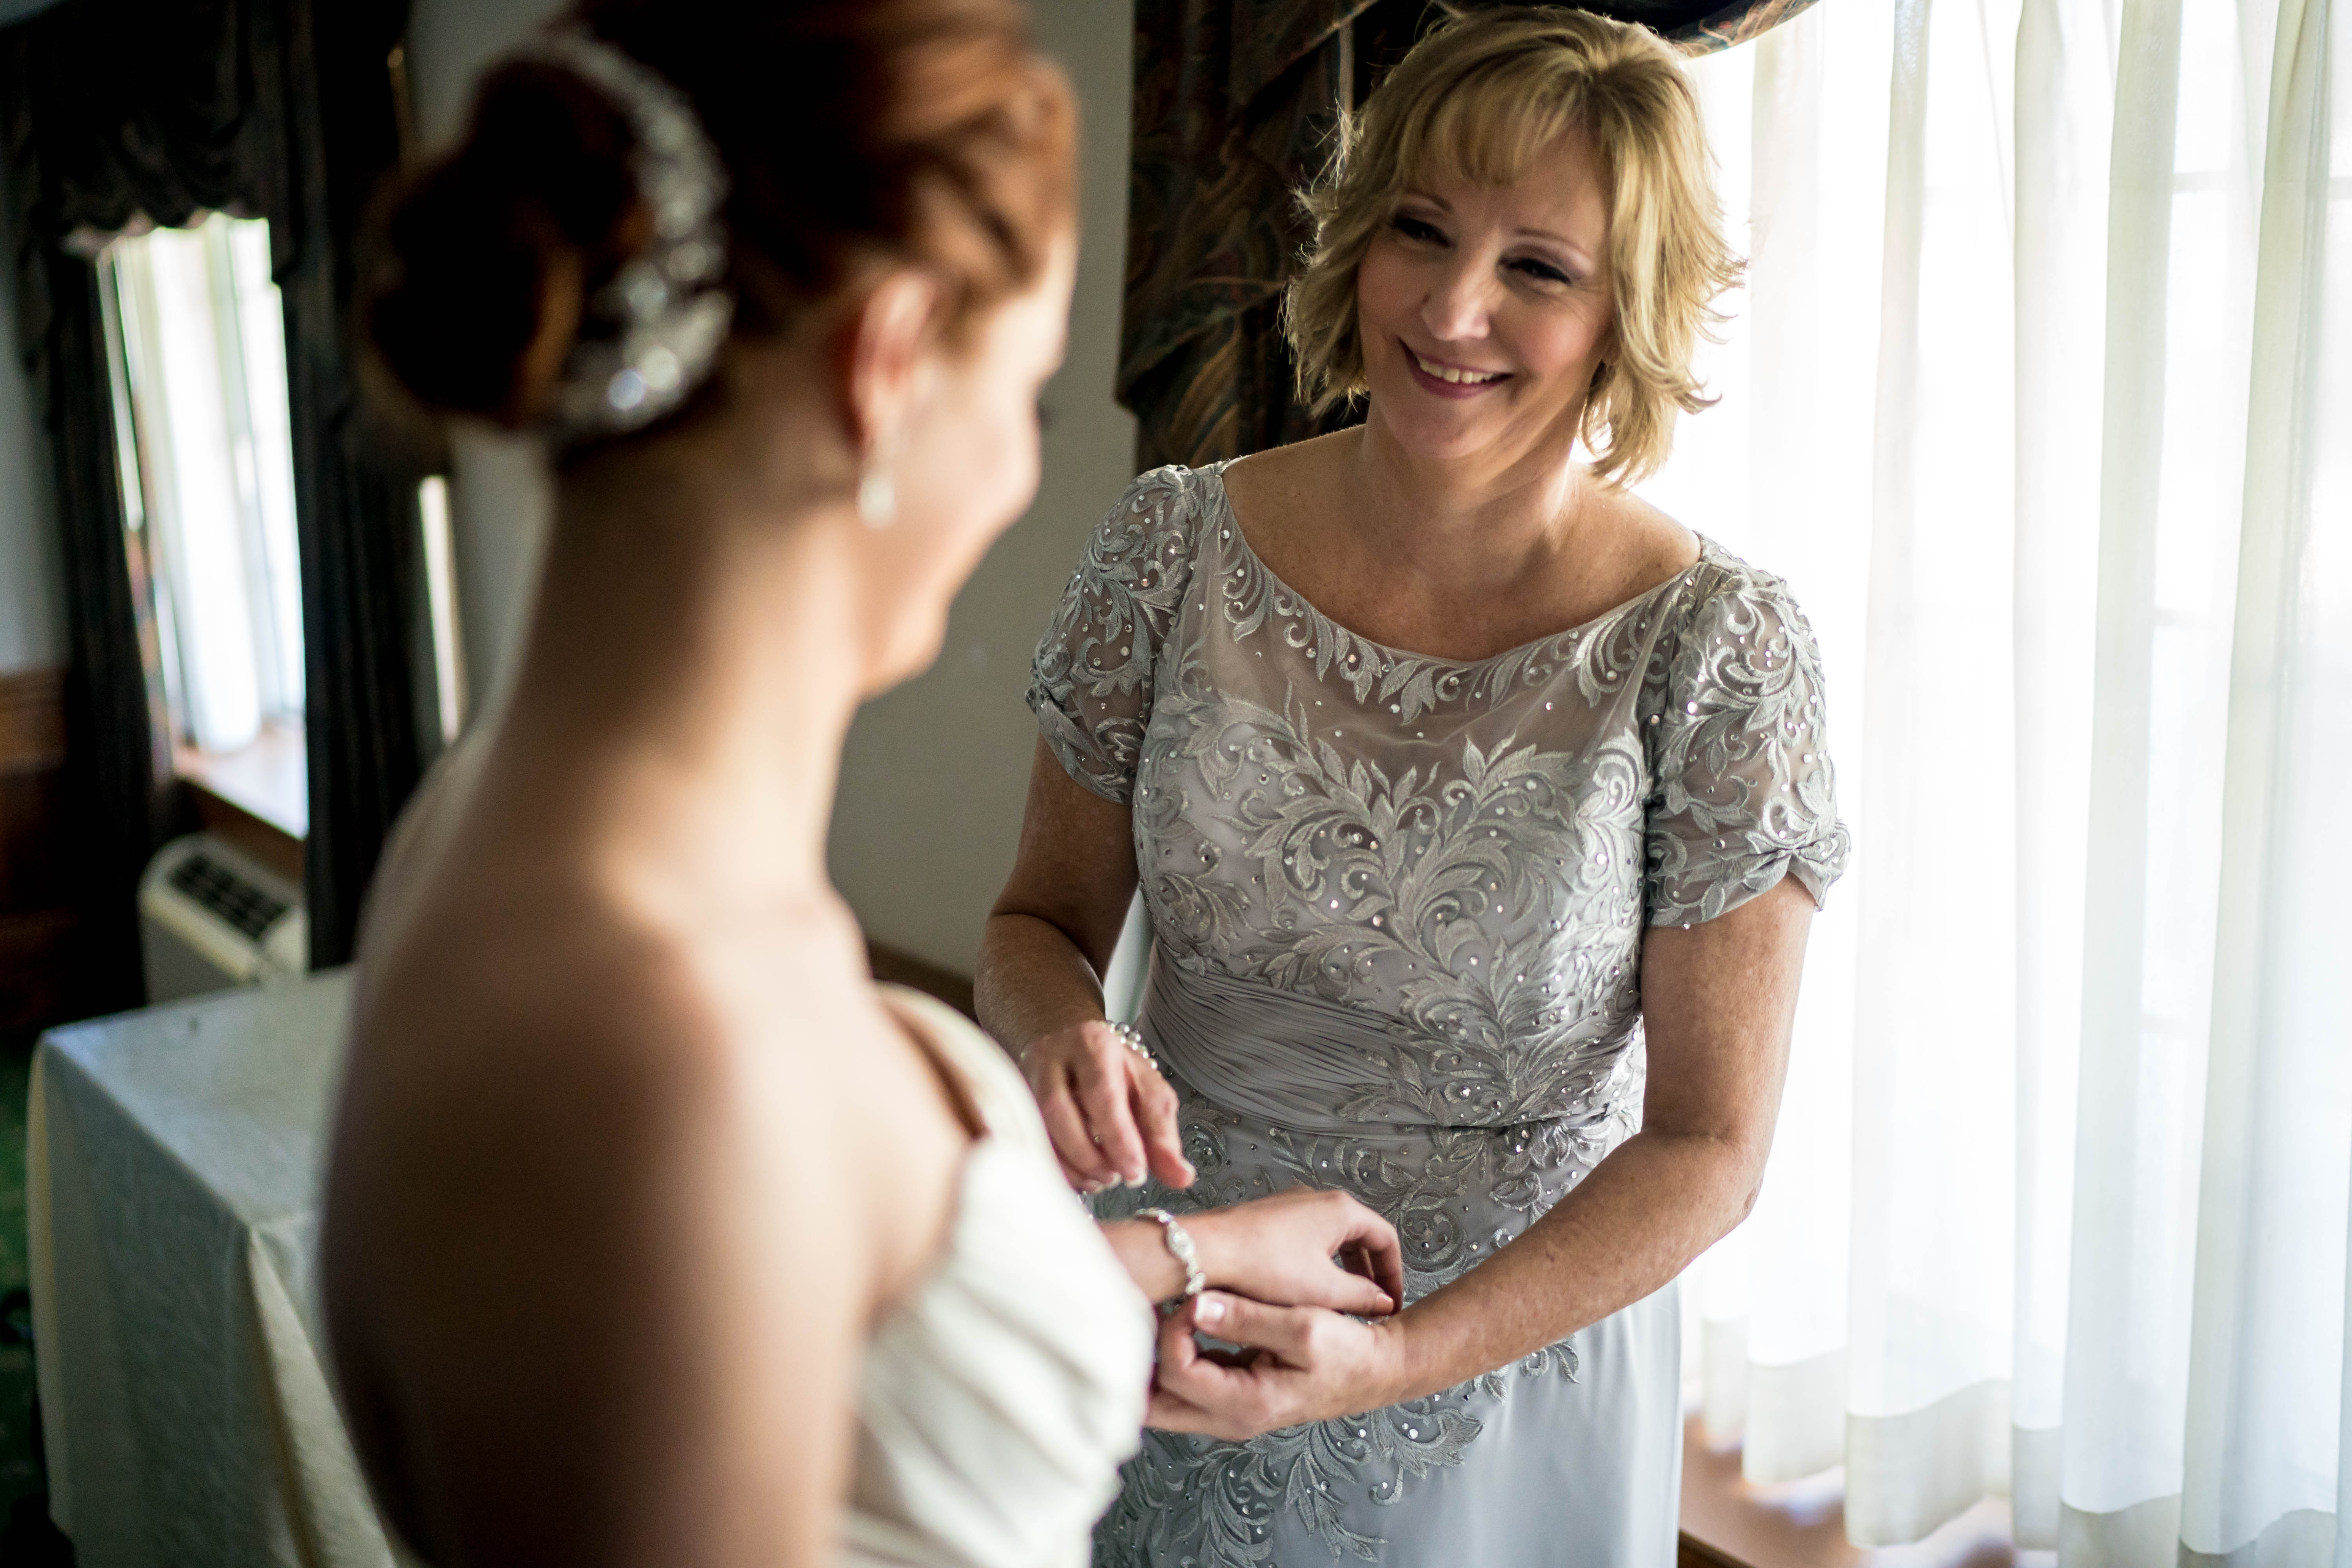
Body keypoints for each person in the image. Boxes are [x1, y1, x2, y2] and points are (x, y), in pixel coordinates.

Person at [318, 5, 1403, 1566]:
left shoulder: (506, 823)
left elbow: (804, 1331)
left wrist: (1197, 1252)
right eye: (1025, 399)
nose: (1017, 472)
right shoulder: (672, 1044)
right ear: (885, 368)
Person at [980, 9, 1852, 1564]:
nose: (1452, 309)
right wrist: (1060, 1037)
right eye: (1422, 230)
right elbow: (1035, 922)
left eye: (1540, 267)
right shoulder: (1169, 550)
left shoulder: (1719, 651)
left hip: (1506, 1376)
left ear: (1627, 310)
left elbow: (1711, 1145)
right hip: (1178, 1298)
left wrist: (1398, 1358)